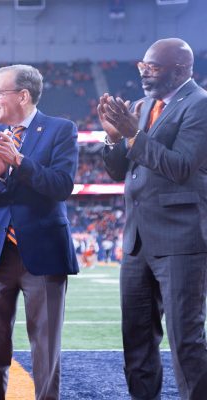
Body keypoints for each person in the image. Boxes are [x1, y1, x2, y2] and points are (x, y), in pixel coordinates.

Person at [99, 38, 207, 400]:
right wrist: (115, 139)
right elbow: (119, 172)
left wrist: (134, 134)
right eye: (142, 65)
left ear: (181, 70)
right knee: (137, 338)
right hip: (137, 241)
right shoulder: (142, 106)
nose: (144, 72)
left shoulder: (200, 105)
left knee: (185, 339)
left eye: (153, 67)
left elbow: (181, 168)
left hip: (181, 238)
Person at [0, 64, 79, 400]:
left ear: (23, 95)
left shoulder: (60, 129)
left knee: (45, 347)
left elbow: (62, 186)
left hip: (44, 254)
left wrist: (20, 162)